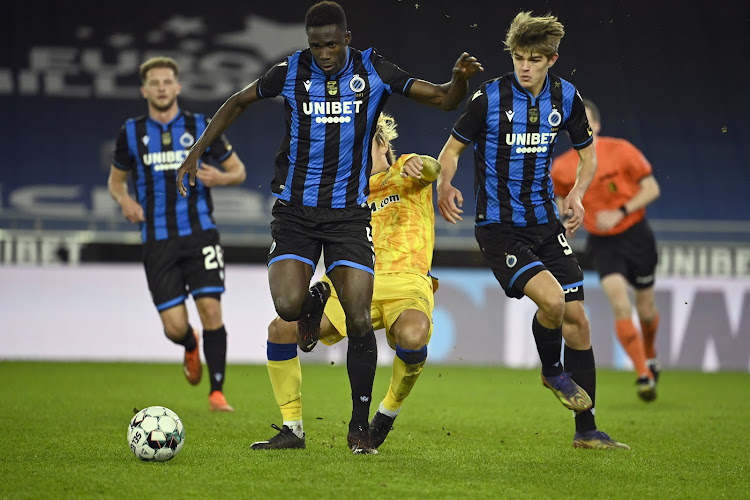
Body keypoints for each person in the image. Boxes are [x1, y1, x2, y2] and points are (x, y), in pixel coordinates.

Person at [176, 1, 482, 447]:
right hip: (296, 211)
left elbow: (441, 98)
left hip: (347, 216)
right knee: (286, 307)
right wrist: (198, 149)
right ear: (308, 43)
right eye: (316, 45)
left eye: (332, 45)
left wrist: (458, 81)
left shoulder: (372, 69)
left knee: (359, 320)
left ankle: (359, 427)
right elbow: (239, 101)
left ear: (347, 40)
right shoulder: (291, 71)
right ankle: (311, 315)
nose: (324, 53)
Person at [435, 11, 629, 450]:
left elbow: (587, 155)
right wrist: (445, 183)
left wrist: (577, 194)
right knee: (555, 301)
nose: (524, 66)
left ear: (552, 59)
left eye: (534, 59)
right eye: (519, 57)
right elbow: (451, 150)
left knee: (578, 321)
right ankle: (551, 371)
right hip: (500, 229)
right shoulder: (489, 98)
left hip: (545, 223)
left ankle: (586, 431)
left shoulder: (567, 98)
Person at [250, 112, 439, 454]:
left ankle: (387, 412)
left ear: (382, 144)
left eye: (360, 145)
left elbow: (432, 168)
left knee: (412, 338)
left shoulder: (406, 175)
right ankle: (292, 429)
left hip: (405, 284)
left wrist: (419, 162)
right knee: (280, 329)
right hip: (350, 281)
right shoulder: (345, 190)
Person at [108, 56, 246, 412]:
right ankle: (188, 344)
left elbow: (239, 171)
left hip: (200, 234)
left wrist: (221, 177)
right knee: (173, 327)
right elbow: (116, 181)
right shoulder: (131, 132)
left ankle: (217, 393)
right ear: (144, 90)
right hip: (156, 239)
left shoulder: (202, 125)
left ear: (178, 86)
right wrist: (123, 200)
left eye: (167, 81)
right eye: (154, 83)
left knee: (211, 310)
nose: (162, 88)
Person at [551, 99, 661, 402]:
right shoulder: (561, 167)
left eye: (585, 122)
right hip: (602, 242)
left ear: (596, 126)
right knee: (620, 305)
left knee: (647, 313)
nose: (580, 129)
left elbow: (652, 188)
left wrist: (621, 211)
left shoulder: (622, 150)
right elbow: (562, 199)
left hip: (636, 235)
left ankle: (650, 355)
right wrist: (568, 217)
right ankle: (643, 375)